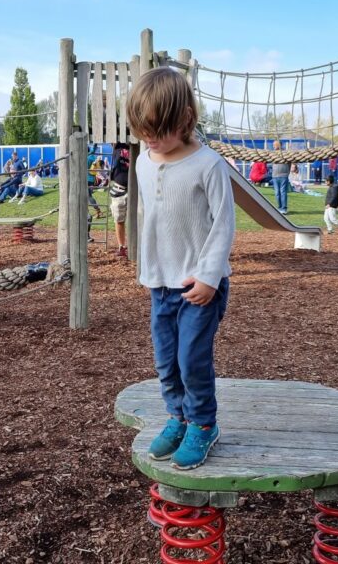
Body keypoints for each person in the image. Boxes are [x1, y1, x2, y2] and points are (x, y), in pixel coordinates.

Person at [127, 67, 235, 471]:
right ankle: (178, 417)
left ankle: (203, 424)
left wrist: (210, 275)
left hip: (198, 285)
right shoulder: (143, 161)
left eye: (158, 130)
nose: (150, 139)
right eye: (142, 131)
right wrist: (149, 268)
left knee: (192, 358)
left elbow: (224, 224)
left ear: (185, 120)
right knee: (166, 359)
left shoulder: (208, 164)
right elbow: (153, 218)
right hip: (161, 282)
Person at [108, 142, 130, 258]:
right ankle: (122, 246)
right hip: (119, 188)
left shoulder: (140, 145)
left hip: (136, 188)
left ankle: (138, 245)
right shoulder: (117, 147)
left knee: (140, 218)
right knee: (119, 219)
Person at [271, 140, 291, 215]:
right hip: (275, 176)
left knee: (283, 192)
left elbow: (290, 163)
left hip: (283, 176)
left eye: (275, 145)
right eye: (273, 145)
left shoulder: (285, 153)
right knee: (277, 193)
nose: (273, 146)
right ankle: (279, 208)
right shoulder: (272, 154)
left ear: (279, 145)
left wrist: (287, 173)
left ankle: (284, 208)